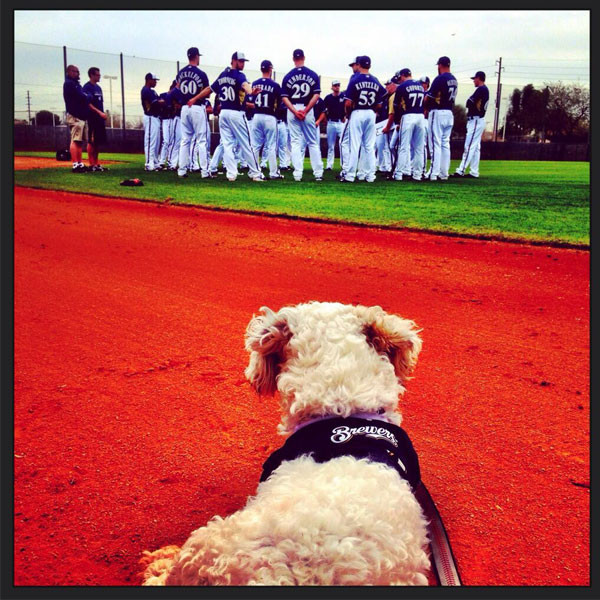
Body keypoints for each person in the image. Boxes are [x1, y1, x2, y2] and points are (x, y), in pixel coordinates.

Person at [191, 51, 264, 182]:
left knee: (227, 144)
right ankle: (255, 173)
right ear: (233, 60)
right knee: (247, 144)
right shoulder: (239, 75)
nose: (242, 64)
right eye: (241, 61)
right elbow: (245, 85)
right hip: (236, 113)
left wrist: (194, 98)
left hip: (224, 113)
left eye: (243, 61)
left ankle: (231, 174)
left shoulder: (223, 75)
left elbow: (209, 89)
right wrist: (251, 91)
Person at [280, 49, 323, 182]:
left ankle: (297, 174)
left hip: (293, 109)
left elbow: (285, 98)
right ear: (304, 57)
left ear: (293, 59)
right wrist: (305, 110)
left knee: (295, 142)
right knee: (312, 142)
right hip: (307, 108)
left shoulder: (287, 76)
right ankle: (318, 173)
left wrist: (294, 111)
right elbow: (316, 95)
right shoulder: (313, 74)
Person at [341, 56, 385, 183]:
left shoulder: (355, 79)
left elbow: (348, 103)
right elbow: (380, 103)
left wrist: (348, 114)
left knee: (354, 146)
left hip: (358, 112)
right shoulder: (375, 80)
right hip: (371, 113)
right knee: (369, 147)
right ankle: (370, 176)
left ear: (359, 65)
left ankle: (350, 175)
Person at [174, 47, 212, 179]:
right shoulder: (201, 73)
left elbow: (176, 89)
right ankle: (205, 172)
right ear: (196, 56)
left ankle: (182, 171)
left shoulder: (180, 73)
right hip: (197, 107)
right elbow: (208, 92)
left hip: (184, 108)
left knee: (185, 140)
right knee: (201, 141)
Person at [249, 60, 284, 179]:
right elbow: (279, 103)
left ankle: (253, 171)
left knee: (255, 146)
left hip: (256, 115)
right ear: (270, 69)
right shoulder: (275, 85)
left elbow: (251, 99)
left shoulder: (254, 83)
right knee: (271, 146)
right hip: (270, 116)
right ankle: (273, 173)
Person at [425, 56, 457, 181]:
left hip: (437, 112)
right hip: (449, 112)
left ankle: (433, 173)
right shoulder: (454, 79)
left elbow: (429, 97)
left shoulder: (440, 78)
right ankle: (444, 173)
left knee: (435, 143)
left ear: (440, 65)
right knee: (445, 144)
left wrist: (425, 106)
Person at [391, 68, 426, 181]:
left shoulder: (401, 87)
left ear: (403, 75)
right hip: (420, 116)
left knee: (404, 147)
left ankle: (399, 174)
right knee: (419, 148)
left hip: (408, 116)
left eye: (400, 77)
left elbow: (396, 105)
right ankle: (417, 174)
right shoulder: (420, 86)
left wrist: (397, 121)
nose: (399, 80)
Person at [453, 71, 489, 178]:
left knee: (469, 146)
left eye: (475, 79)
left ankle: (461, 170)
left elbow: (469, 102)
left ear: (479, 78)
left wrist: (471, 102)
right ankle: (474, 171)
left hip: (476, 120)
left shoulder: (481, 89)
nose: (474, 80)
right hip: (478, 120)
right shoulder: (484, 89)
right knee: (476, 147)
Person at [63, 64, 91, 173]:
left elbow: (84, 96)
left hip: (81, 116)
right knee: (75, 140)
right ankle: (75, 164)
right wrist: (87, 96)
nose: (77, 74)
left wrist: (86, 97)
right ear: (69, 72)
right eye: (75, 71)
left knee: (79, 141)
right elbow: (82, 97)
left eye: (78, 72)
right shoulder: (69, 84)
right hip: (75, 115)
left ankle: (79, 163)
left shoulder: (76, 84)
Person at [82, 67, 108, 172]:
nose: (99, 76)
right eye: (97, 74)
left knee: (97, 142)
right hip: (92, 118)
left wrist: (103, 113)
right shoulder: (87, 87)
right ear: (91, 75)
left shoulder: (98, 88)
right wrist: (99, 113)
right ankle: (91, 164)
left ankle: (96, 164)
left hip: (100, 119)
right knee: (91, 141)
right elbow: (88, 103)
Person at [318, 80, 346, 171]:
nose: (337, 87)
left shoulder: (343, 96)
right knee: (331, 145)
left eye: (338, 85)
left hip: (340, 122)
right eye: (335, 85)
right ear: (332, 87)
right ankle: (329, 165)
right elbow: (324, 110)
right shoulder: (328, 98)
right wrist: (326, 120)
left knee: (343, 144)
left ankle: (344, 165)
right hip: (331, 122)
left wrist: (345, 116)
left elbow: (347, 107)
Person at [140, 72, 165, 171]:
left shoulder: (152, 91)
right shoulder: (146, 90)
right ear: (149, 80)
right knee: (150, 141)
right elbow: (155, 103)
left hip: (155, 118)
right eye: (154, 80)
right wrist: (161, 102)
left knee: (156, 141)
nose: (155, 82)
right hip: (150, 117)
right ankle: (148, 163)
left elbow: (159, 101)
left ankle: (154, 162)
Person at [374, 79, 393, 176]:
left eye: (388, 85)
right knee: (380, 145)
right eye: (386, 85)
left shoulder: (393, 97)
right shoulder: (384, 98)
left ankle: (388, 167)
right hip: (381, 124)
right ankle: (382, 166)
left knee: (389, 146)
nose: (387, 87)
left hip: (390, 124)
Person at [419, 76, 431, 178]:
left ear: (427, 84)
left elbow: (426, 109)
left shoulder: (428, 94)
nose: (421, 85)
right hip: (420, 120)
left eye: (423, 83)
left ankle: (422, 170)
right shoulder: (420, 93)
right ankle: (417, 168)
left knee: (422, 145)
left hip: (426, 120)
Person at [274, 100, 291, 171]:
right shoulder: (272, 101)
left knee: (283, 145)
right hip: (273, 123)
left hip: (282, 123)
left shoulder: (284, 103)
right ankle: (272, 165)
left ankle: (283, 164)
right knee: (273, 146)